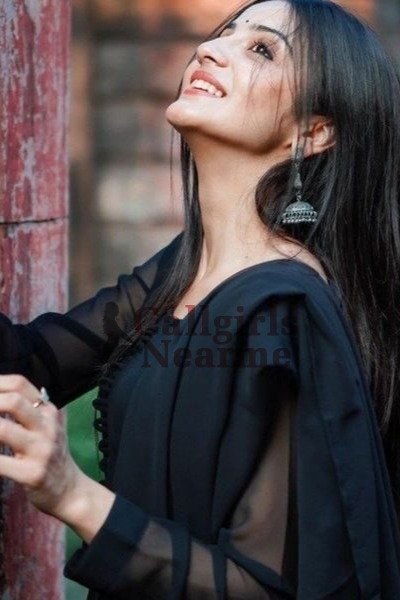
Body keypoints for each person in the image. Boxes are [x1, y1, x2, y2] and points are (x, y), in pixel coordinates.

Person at [0, 0, 400, 597]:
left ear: (312, 132)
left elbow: (269, 588)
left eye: (261, 49)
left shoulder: (285, 311)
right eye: (223, 33)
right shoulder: (181, 269)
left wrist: (73, 494)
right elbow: (32, 359)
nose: (209, 49)